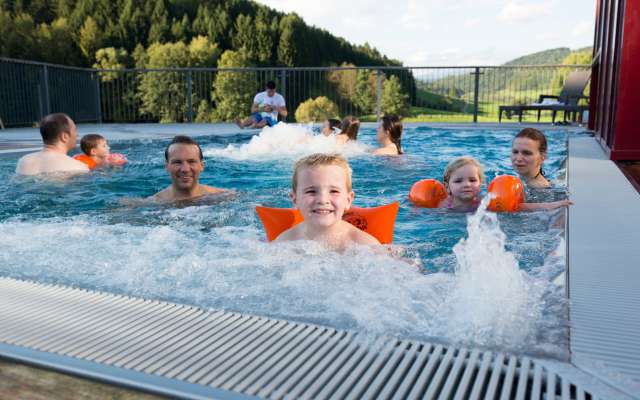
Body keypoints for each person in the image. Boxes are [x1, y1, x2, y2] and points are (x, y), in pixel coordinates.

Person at [275, 153, 380, 249]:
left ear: (348, 200)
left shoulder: (365, 245)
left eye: (334, 191)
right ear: (295, 200)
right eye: (311, 191)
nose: (322, 200)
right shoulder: (284, 243)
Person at [437, 156, 572, 211]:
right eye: (458, 181)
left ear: (481, 183)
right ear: (447, 185)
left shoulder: (485, 203)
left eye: (472, 180)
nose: (466, 184)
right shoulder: (443, 205)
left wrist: (554, 204)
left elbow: (522, 207)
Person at [150, 135, 225, 202]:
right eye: (177, 162)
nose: (185, 169)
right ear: (167, 167)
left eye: (191, 161)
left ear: (202, 165)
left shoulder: (223, 197)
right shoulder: (153, 203)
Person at [15, 113, 89, 176]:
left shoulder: (23, 161)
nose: (77, 135)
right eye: (75, 130)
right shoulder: (77, 167)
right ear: (64, 137)